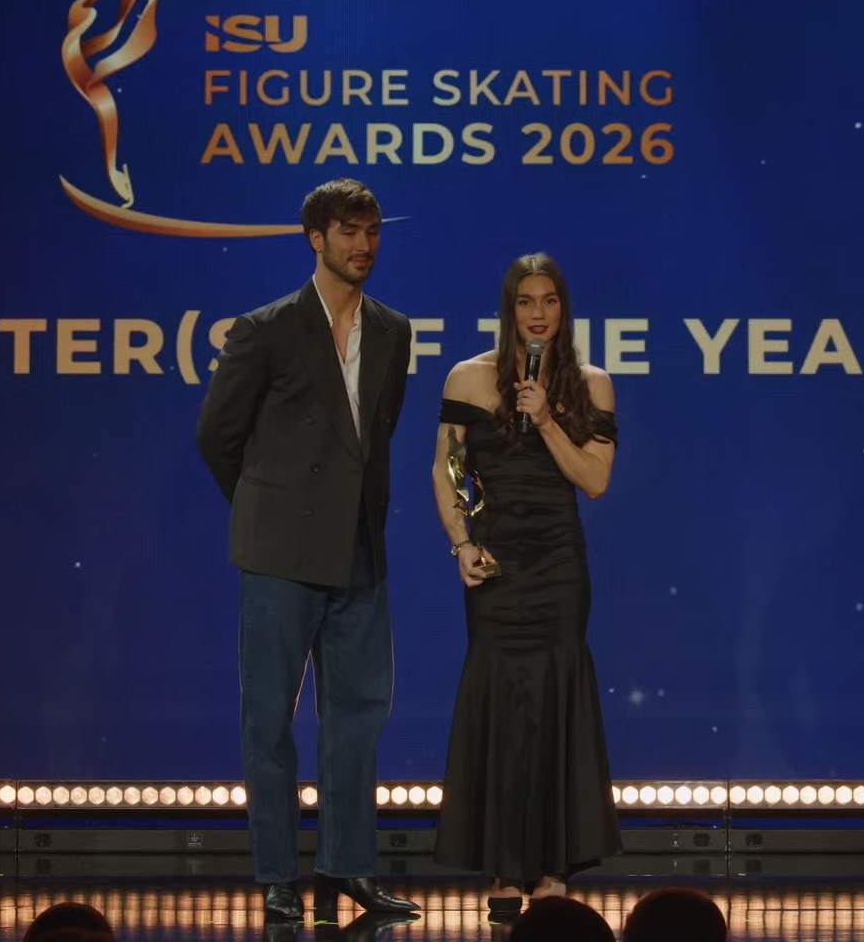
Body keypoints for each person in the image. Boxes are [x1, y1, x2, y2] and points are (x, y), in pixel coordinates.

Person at [195, 177, 419, 924]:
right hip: (280, 555)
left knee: (359, 717)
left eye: (372, 230)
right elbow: (217, 436)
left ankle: (347, 869)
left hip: (359, 552)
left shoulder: (392, 330)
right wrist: (271, 510)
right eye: (348, 231)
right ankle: (276, 876)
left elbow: (373, 439)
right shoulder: (266, 329)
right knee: (269, 721)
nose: (363, 244)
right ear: (315, 239)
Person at [430, 252, 623, 913]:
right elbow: (448, 469)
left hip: (557, 566)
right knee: (502, 703)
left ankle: (553, 866)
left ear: (563, 309)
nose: (538, 314)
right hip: (495, 561)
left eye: (549, 300)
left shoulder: (592, 385)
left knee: (554, 702)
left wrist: (544, 420)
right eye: (525, 301)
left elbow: (594, 480)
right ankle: (504, 868)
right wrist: (461, 543)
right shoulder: (468, 376)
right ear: (508, 310)